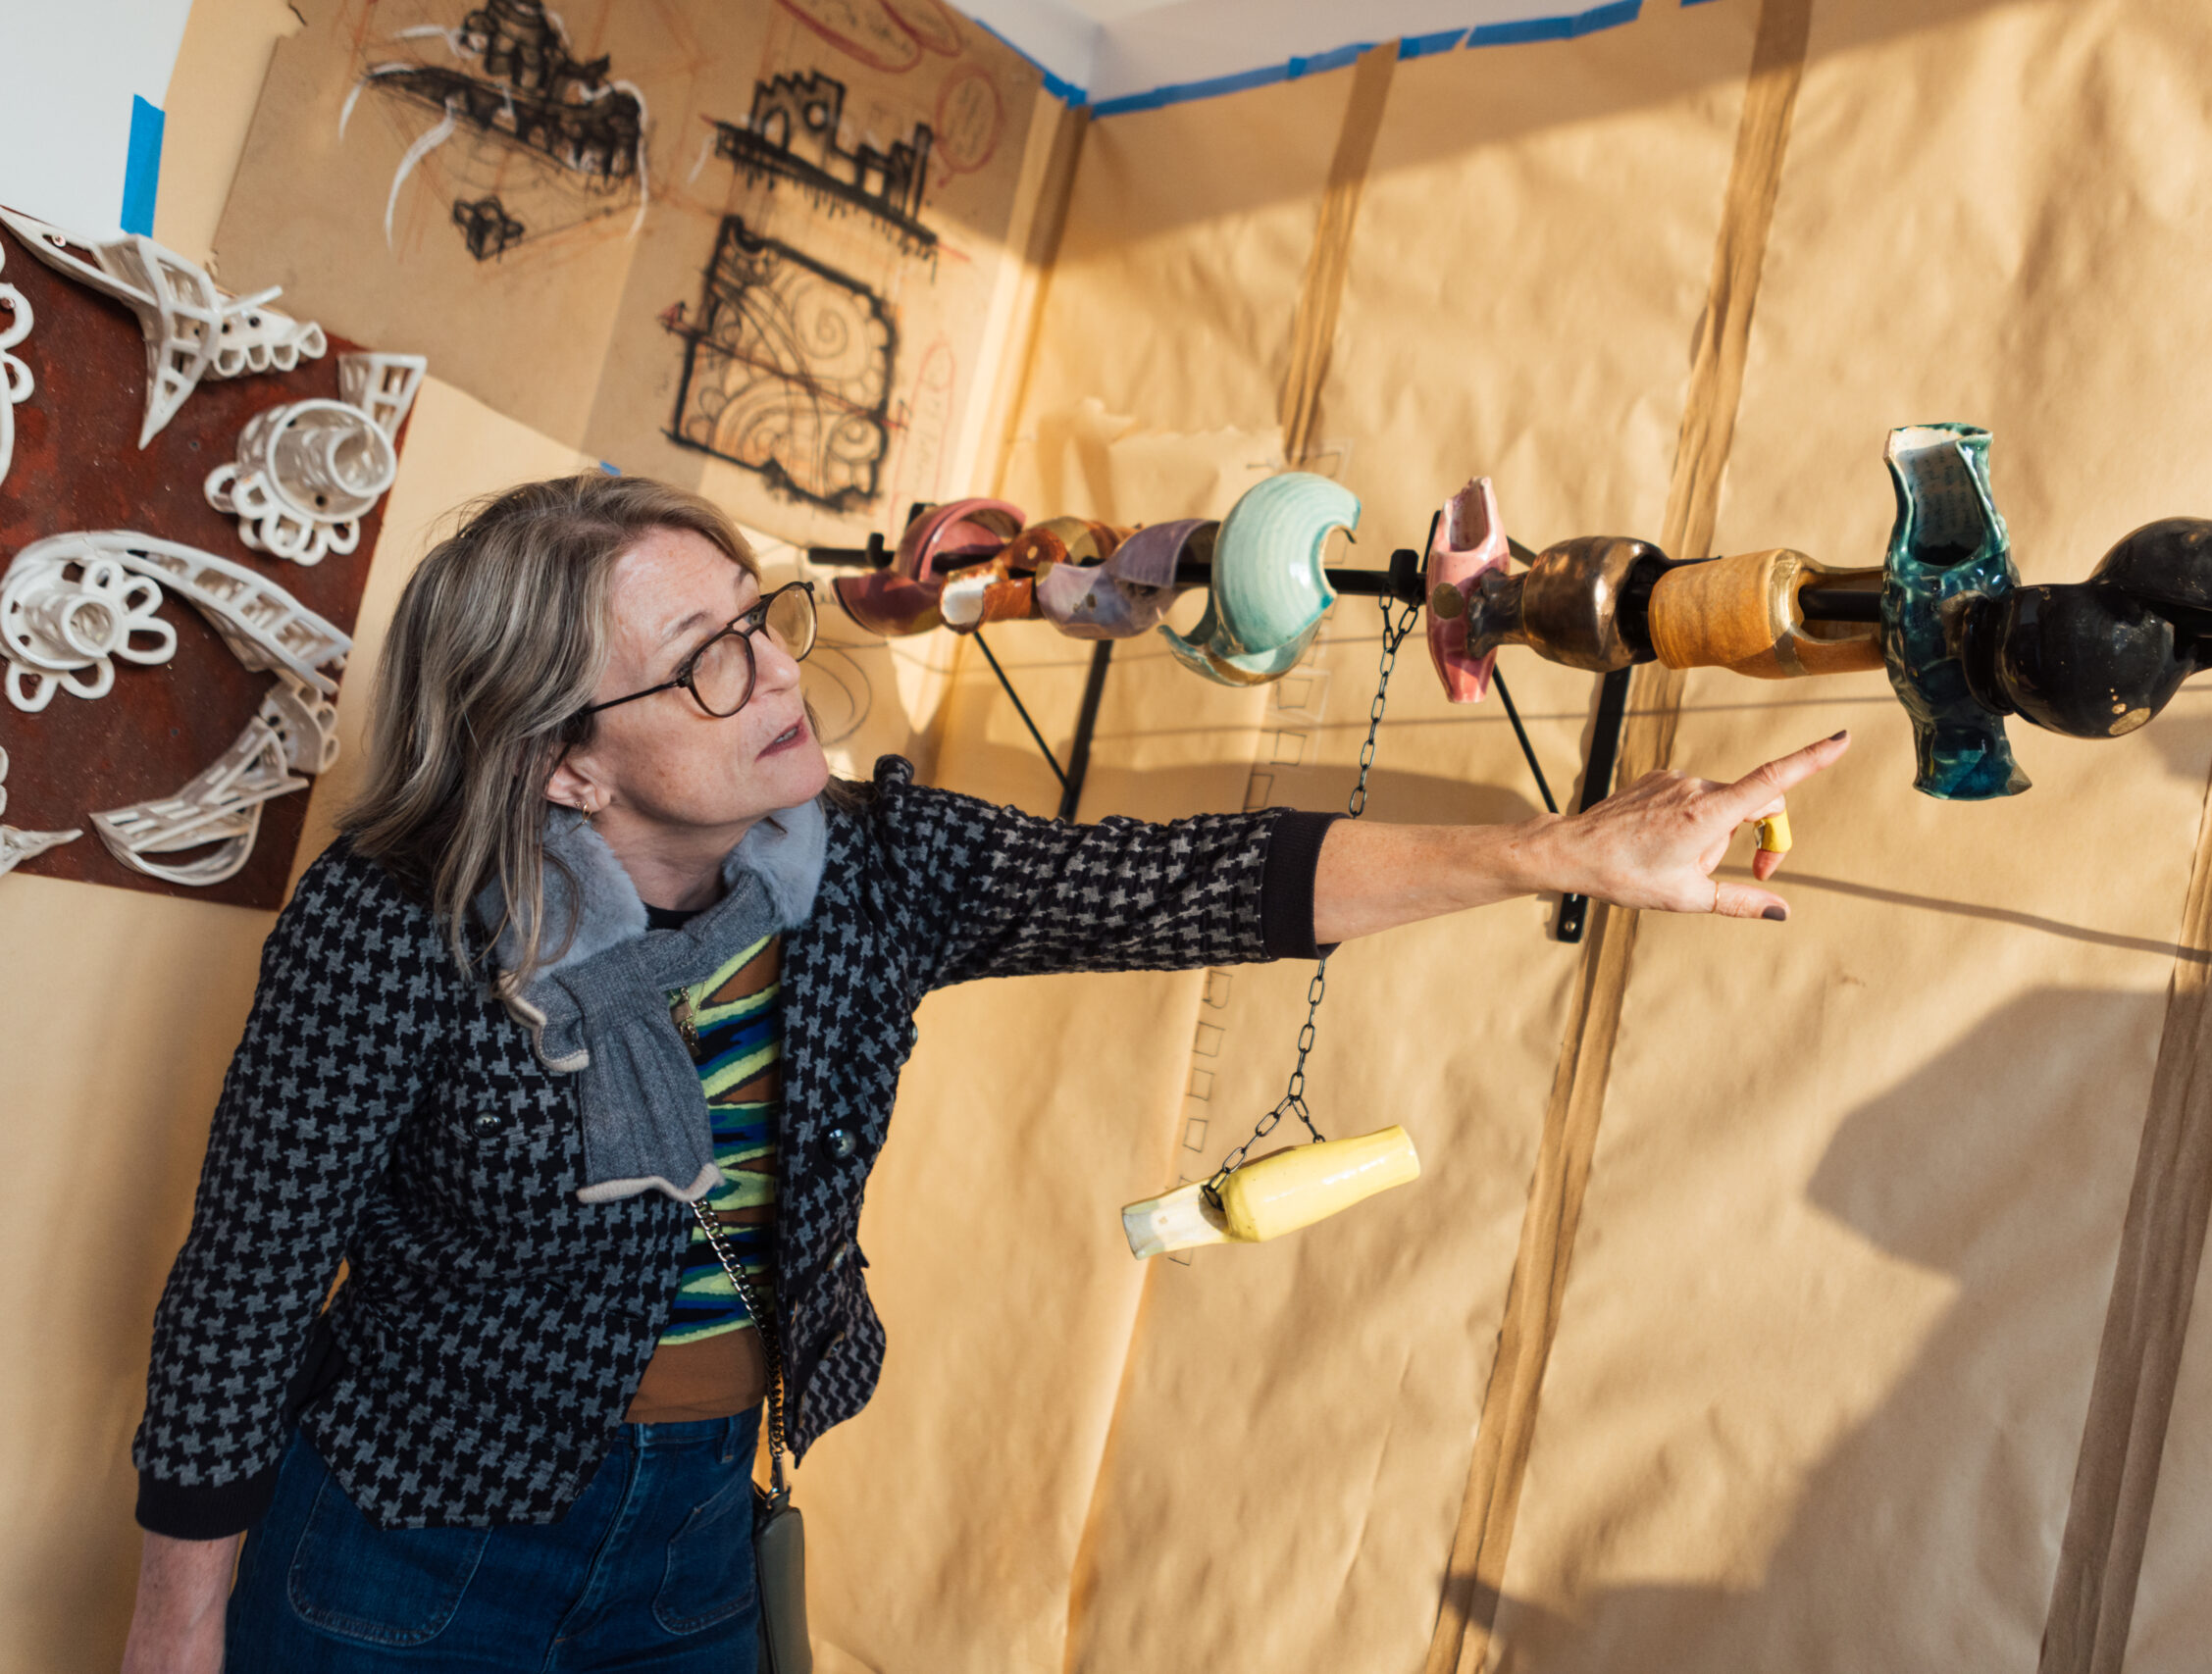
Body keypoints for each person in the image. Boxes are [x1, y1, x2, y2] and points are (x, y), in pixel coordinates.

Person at [118, 474, 1849, 1672]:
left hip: (701, 1536)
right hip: (414, 1546)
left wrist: (1557, 853)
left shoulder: (864, 867)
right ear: (562, 767)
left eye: (761, 614)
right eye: (706, 659)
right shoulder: (399, 923)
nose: (778, 671)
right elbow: (247, 1285)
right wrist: (176, 1630)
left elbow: (1186, 883)